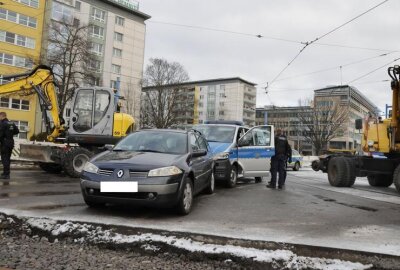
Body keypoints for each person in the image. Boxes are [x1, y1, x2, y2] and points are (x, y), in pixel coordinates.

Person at [0, 112, 19, 179]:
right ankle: (6, 173)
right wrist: (10, 134)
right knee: (7, 158)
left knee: (4, 158)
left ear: (2, 116)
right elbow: (17, 131)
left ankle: (6, 174)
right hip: (11, 142)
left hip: (4, 143)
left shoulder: (2, 123)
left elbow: (1, 134)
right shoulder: (11, 123)